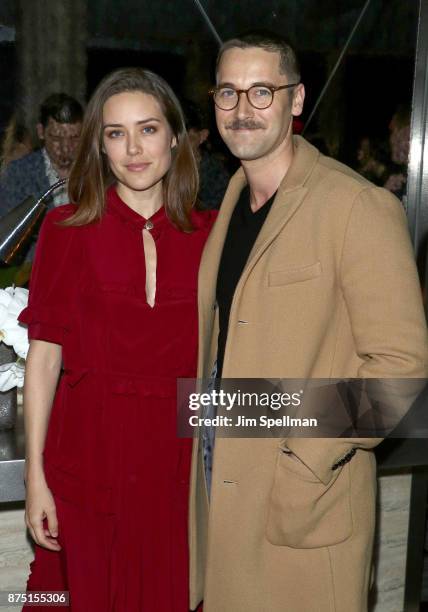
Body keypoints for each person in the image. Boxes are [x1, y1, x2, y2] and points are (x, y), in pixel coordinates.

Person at [188, 33, 427, 612]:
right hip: (222, 496)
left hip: (305, 504)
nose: (243, 109)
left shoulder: (357, 206)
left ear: (297, 101)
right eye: (228, 92)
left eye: (262, 91)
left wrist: (307, 455)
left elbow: (401, 372)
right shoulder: (228, 206)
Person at [19, 67, 216, 611]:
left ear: (175, 136)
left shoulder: (210, 235)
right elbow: (44, 358)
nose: (133, 148)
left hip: (173, 472)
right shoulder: (67, 230)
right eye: (115, 133)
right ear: (99, 147)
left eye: (148, 129)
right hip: (86, 461)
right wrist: (35, 476)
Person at [0, 93, 83, 217]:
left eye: (74, 138)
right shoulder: (18, 173)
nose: (65, 148)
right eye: (56, 138)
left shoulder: (97, 171)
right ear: (41, 132)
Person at [182, 99, 230, 209]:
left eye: (185, 133)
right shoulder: (162, 168)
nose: (176, 140)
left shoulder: (215, 175)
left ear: (202, 136)